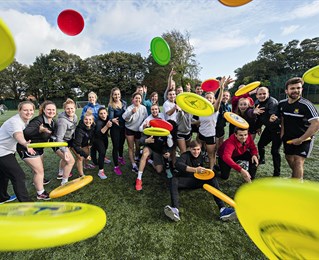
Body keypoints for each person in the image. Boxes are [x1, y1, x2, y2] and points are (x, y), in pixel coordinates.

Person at [164, 140, 236, 222]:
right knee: (173, 180)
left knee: (212, 179)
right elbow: (178, 165)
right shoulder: (185, 155)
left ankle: (223, 209)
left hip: (197, 181)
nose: (196, 152)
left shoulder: (201, 156)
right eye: (194, 149)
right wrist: (195, 170)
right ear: (190, 149)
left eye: (198, 149)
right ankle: (175, 210)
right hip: (185, 181)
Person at [278, 77, 319, 179]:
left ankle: (297, 184)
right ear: (286, 91)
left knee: (298, 161)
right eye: (292, 88)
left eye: (298, 88)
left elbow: (316, 123)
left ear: (302, 89)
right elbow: (282, 118)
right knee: (289, 158)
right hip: (288, 137)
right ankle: (295, 177)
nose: (296, 90)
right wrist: (282, 133)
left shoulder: (306, 105)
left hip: (304, 138)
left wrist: (301, 139)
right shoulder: (282, 104)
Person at [16, 100, 57, 200]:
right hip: (27, 148)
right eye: (48, 110)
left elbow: (53, 137)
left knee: (38, 170)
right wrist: (39, 130)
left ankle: (38, 181)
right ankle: (40, 193)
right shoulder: (38, 120)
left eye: (53, 110)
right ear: (43, 110)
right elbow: (26, 132)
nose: (51, 111)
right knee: (39, 171)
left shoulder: (53, 122)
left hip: (39, 148)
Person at [0, 101, 35, 203]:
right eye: (25, 110)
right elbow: (18, 135)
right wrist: (25, 143)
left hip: (7, 150)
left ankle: (2, 198)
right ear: (19, 110)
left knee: (3, 175)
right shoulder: (15, 122)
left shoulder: (24, 120)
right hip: (2, 151)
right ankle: (26, 203)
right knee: (18, 175)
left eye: (31, 110)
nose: (28, 112)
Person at [198, 76, 232, 170]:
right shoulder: (201, 109)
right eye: (207, 97)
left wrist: (222, 88)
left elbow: (219, 100)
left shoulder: (214, 109)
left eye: (210, 98)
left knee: (211, 154)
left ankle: (211, 170)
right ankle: (198, 166)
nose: (208, 99)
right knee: (199, 151)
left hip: (210, 135)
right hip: (201, 134)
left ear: (213, 100)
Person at [254, 86, 282, 176]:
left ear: (268, 94)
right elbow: (259, 116)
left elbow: (271, 117)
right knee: (261, 144)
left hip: (277, 129)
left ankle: (276, 173)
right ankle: (261, 159)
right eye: (260, 94)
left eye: (264, 94)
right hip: (269, 128)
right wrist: (258, 127)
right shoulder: (257, 102)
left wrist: (272, 118)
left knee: (274, 151)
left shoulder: (272, 102)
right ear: (256, 95)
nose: (262, 96)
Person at [122, 92, 148, 173]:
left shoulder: (143, 108)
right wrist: (131, 112)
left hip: (138, 130)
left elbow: (146, 119)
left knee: (137, 146)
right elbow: (124, 118)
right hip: (129, 129)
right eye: (136, 98)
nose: (137, 99)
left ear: (141, 100)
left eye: (139, 98)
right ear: (133, 100)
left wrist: (146, 125)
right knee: (131, 147)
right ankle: (133, 164)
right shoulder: (130, 108)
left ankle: (137, 157)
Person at [54, 98, 77, 185]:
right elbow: (59, 138)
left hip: (67, 141)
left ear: (75, 108)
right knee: (71, 161)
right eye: (68, 108)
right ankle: (64, 182)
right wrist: (64, 150)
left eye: (72, 108)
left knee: (65, 158)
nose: (70, 110)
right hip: (58, 142)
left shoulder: (75, 117)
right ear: (64, 109)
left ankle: (60, 173)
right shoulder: (62, 121)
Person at [71, 111, 97, 178]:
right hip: (75, 144)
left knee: (87, 152)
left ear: (93, 120)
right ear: (83, 120)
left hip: (84, 143)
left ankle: (86, 165)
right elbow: (76, 145)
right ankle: (81, 175)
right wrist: (85, 155)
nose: (88, 121)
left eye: (90, 119)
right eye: (86, 119)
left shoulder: (93, 126)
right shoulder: (79, 130)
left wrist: (90, 143)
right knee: (80, 157)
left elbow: (93, 136)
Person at [108, 87, 127, 176]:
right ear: (112, 95)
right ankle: (116, 166)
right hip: (115, 128)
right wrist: (112, 120)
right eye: (115, 94)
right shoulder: (111, 105)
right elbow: (111, 117)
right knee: (115, 146)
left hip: (123, 127)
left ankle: (120, 157)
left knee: (121, 144)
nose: (117, 96)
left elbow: (127, 114)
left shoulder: (124, 103)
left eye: (118, 94)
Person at [91, 107, 112, 178]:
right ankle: (100, 171)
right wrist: (106, 126)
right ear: (98, 115)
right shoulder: (98, 122)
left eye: (104, 113)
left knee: (104, 149)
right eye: (101, 114)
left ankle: (100, 160)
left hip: (104, 137)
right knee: (101, 152)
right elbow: (99, 133)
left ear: (107, 113)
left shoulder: (108, 117)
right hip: (96, 138)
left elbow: (111, 119)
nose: (103, 115)